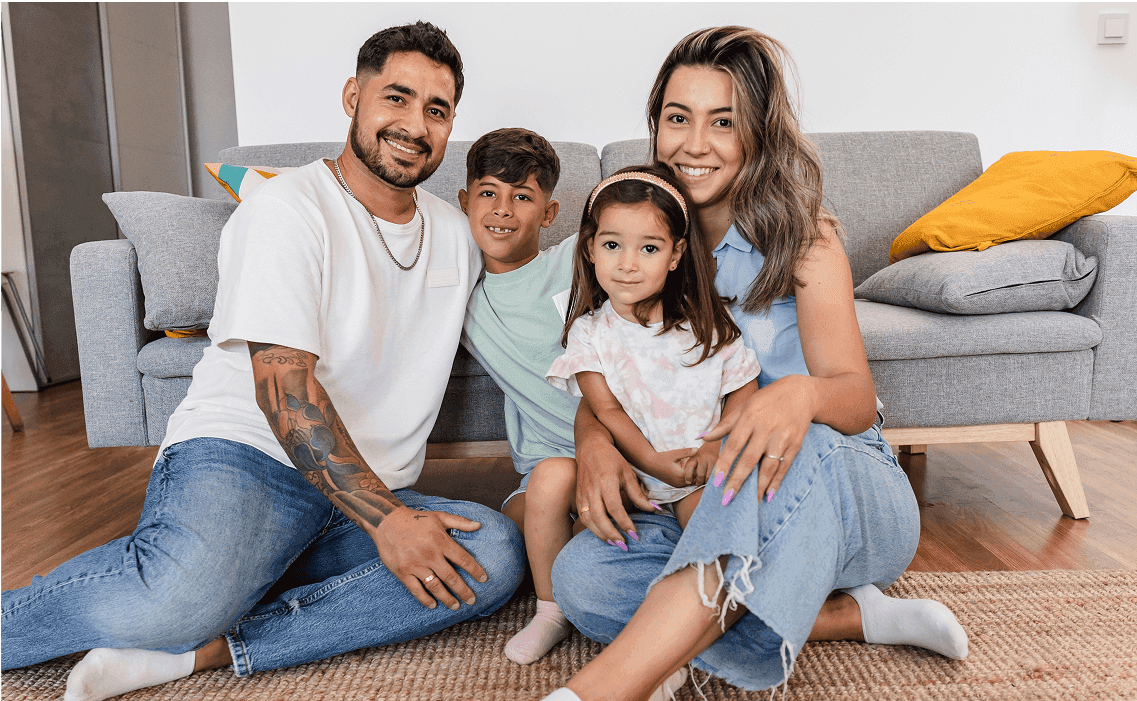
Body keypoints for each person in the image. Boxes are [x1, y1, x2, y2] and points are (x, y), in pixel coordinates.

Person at [0, 22, 524, 701]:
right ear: (353, 97)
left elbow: (536, 304)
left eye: (437, 109)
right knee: (173, 602)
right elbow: (284, 390)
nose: (414, 125)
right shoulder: (288, 209)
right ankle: (191, 594)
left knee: (493, 552)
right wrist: (391, 524)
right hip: (248, 458)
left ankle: (206, 650)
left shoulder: (454, 232)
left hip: (368, 490)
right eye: (396, 97)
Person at [543, 26, 968, 701]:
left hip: (836, 484)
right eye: (677, 118)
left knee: (790, 446)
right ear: (655, 126)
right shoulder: (637, 240)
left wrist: (799, 396)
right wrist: (591, 440)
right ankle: (847, 616)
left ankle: (601, 690)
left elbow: (856, 399)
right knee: (583, 582)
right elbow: (607, 363)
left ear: (758, 134)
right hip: (703, 496)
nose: (694, 144)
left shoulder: (804, 239)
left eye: (723, 122)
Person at [528, 163, 762, 671]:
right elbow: (606, 410)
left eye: (649, 249)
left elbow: (743, 389)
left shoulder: (705, 324)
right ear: (590, 249)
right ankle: (551, 612)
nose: (628, 264)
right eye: (613, 245)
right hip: (634, 484)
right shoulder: (590, 334)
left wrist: (714, 449)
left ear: (675, 255)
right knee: (567, 521)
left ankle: (684, 632)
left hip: (697, 476)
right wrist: (654, 462)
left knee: (710, 547)